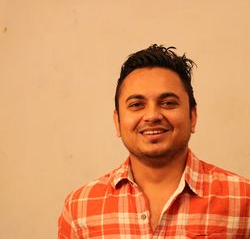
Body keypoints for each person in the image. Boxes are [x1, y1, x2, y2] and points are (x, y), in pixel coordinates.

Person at [58, 44, 250, 238]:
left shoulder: (244, 200)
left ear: (193, 116)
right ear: (117, 122)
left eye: (168, 103)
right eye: (136, 105)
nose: (152, 115)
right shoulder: (79, 209)